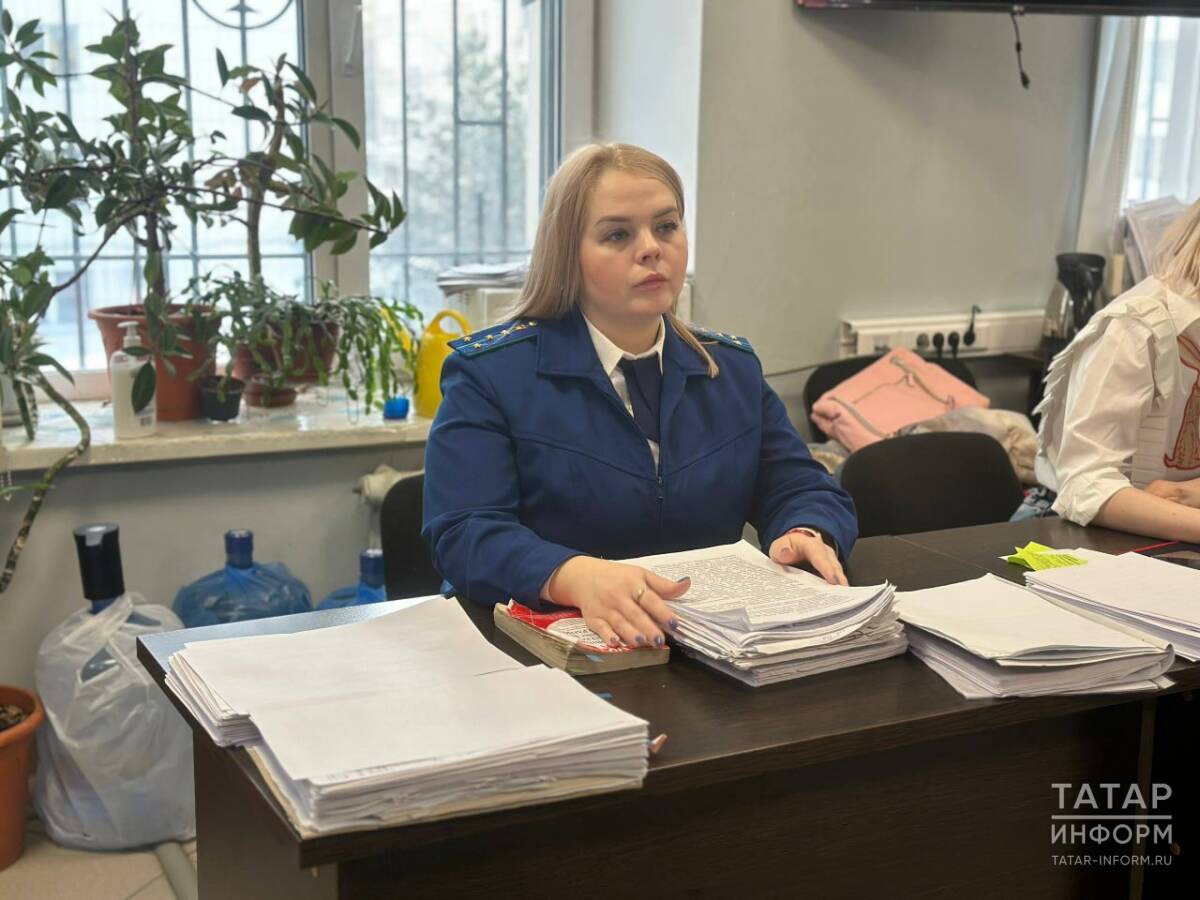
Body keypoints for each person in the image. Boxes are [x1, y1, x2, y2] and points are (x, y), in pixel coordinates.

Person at [422, 143, 857, 650]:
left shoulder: (730, 369)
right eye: (618, 234)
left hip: (708, 645)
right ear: (567, 254)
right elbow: (465, 531)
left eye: (666, 226)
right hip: (543, 654)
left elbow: (799, 485)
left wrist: (806, 530)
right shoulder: (492, 374)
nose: (651, 249)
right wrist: (570, 574)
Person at [1035, 198, 1200, 542]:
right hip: (1081, 534)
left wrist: (1185, 493)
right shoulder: (1136, 328)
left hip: (1173, 528)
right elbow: (1085, 484)